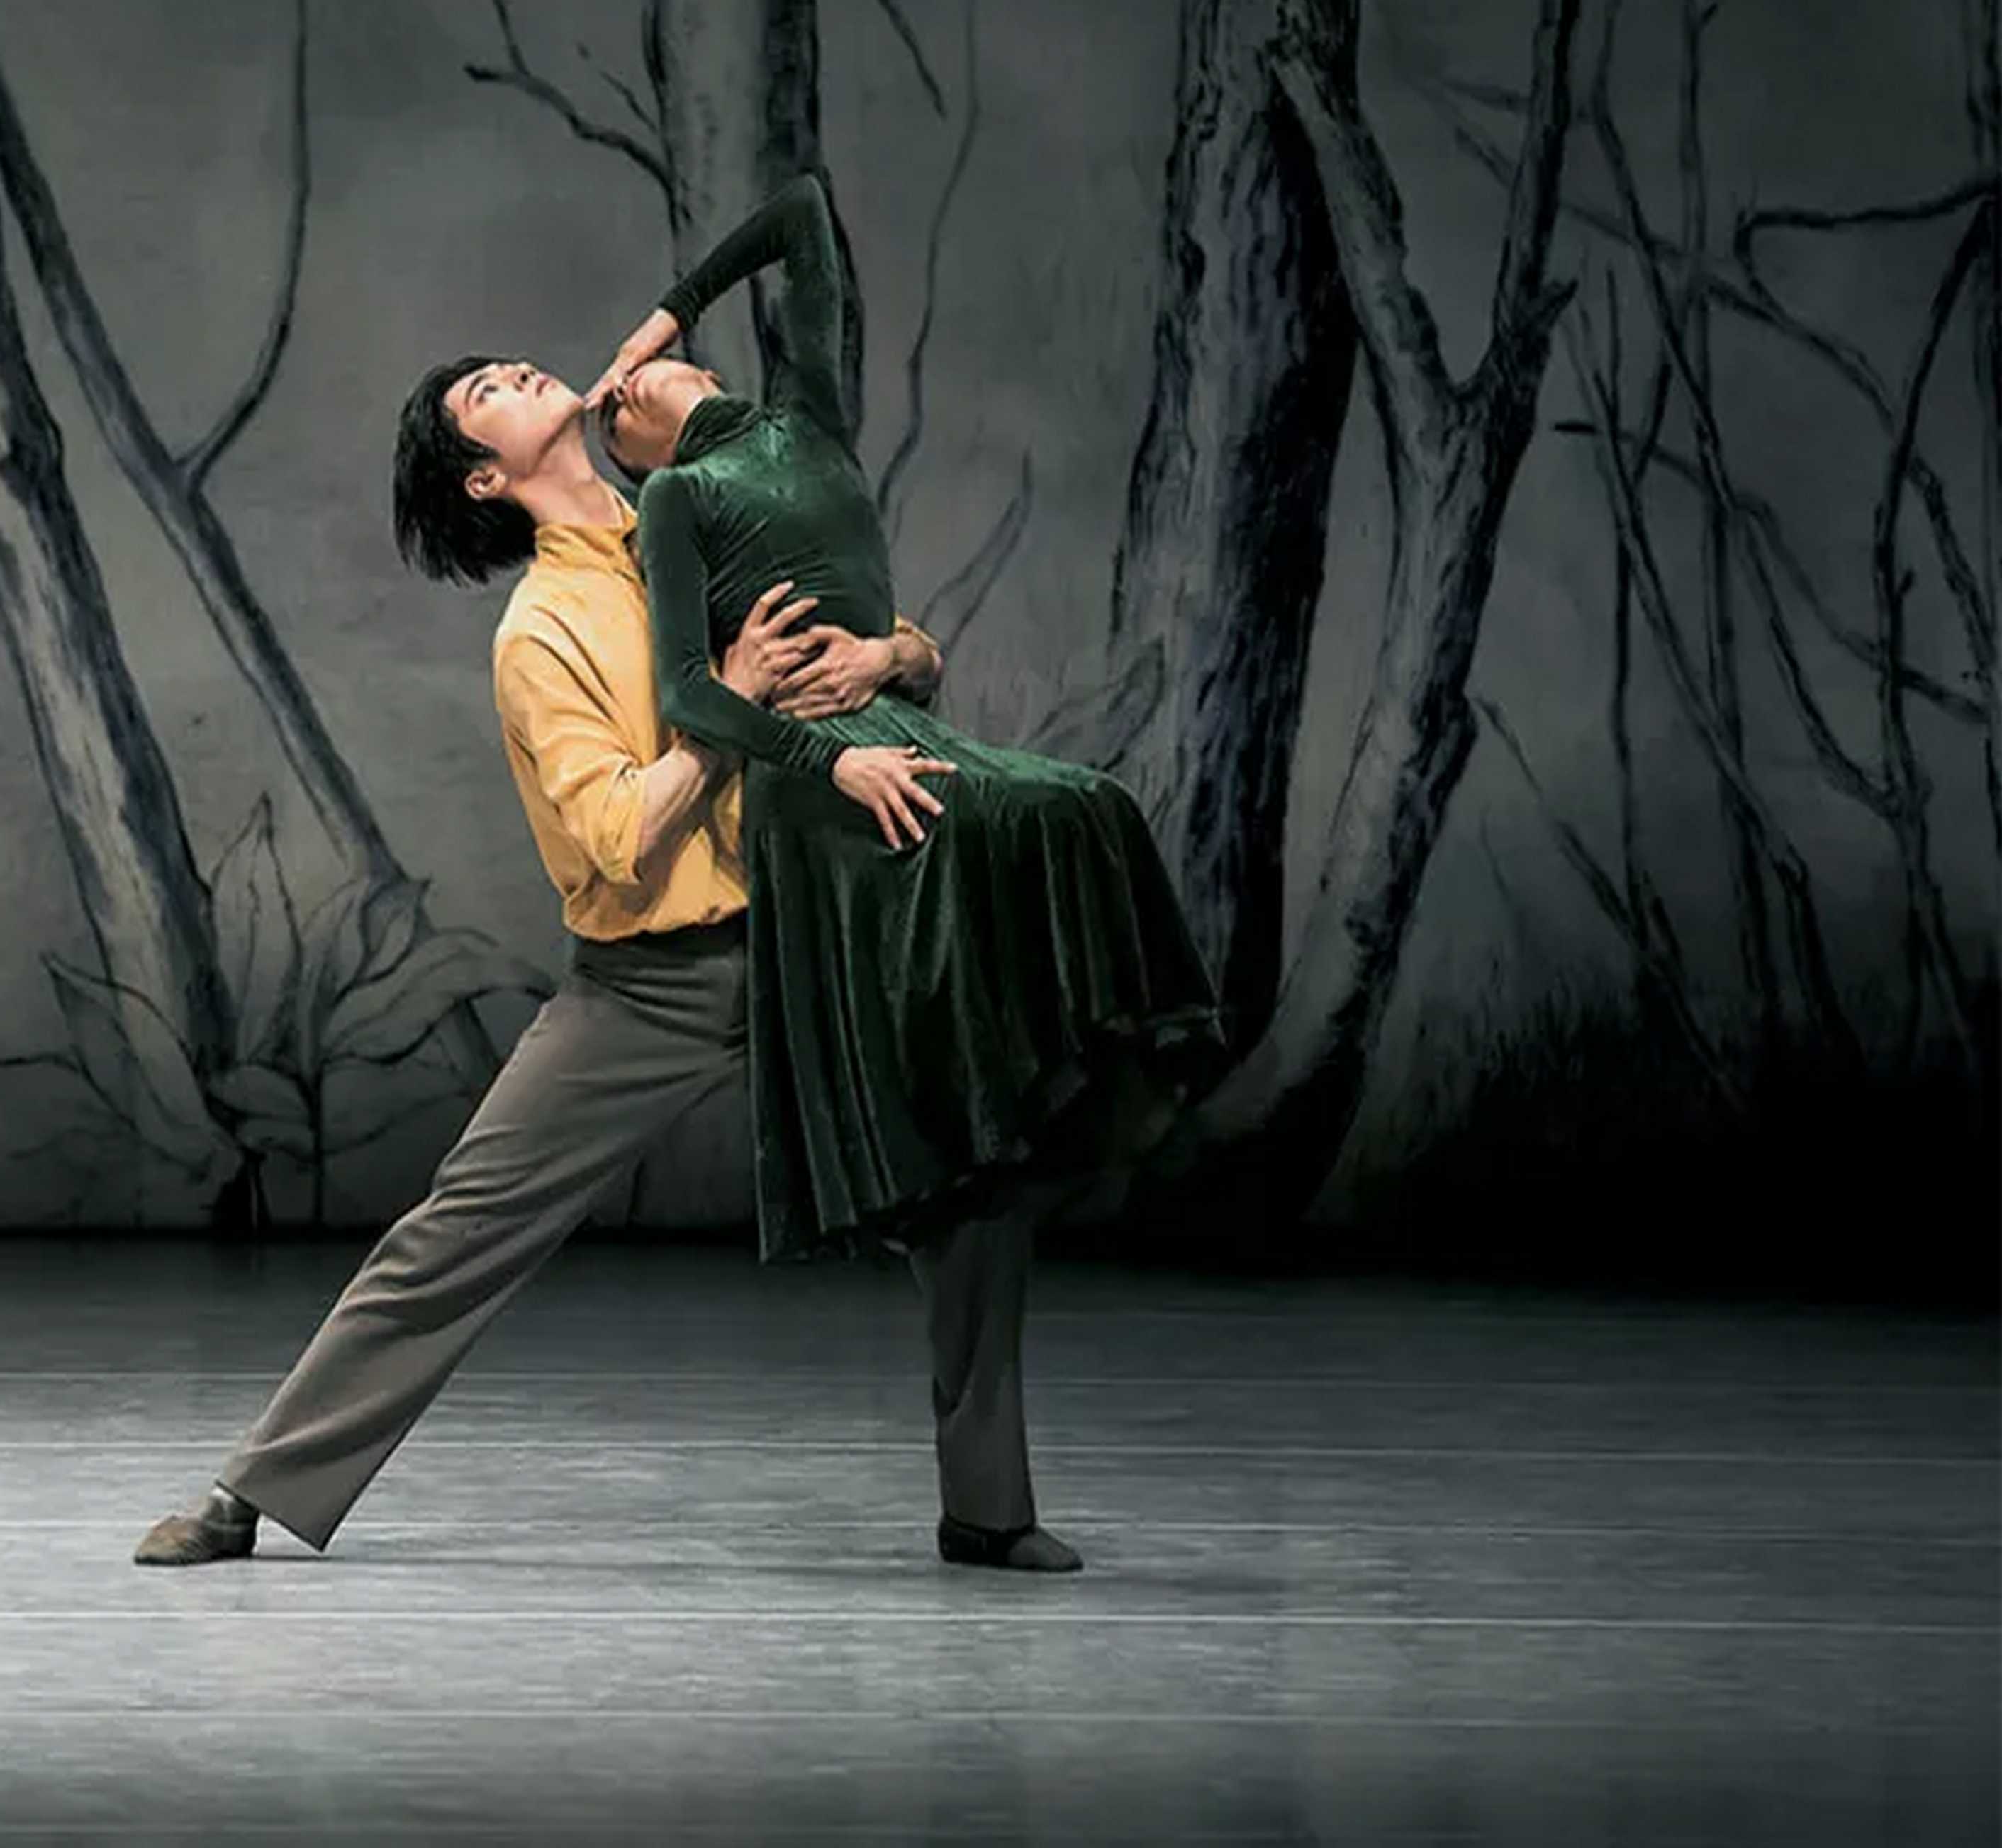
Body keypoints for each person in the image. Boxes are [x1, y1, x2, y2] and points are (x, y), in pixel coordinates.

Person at [132, 347, 954, 1568]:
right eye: (487, 396)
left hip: (813, 939)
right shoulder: (544, 633)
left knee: (970, 1189)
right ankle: (251, 1492)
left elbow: (907, 648)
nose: (517, 368)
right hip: (656, 984)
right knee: (463, 1226)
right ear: (482, 482)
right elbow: (619, 837)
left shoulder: (709, 502)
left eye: (507, 365)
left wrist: (885, 660)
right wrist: (728, 705)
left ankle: (991, 1513)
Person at [586, 170, 1228, 1569]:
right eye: (606, 399)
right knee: (1057, 823)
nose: (618, 384)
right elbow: (694, 698)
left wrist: (666, 303)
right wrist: (835, 760)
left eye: (627, 373)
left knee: (1078, 829)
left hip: (904, 730)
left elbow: (809, 213)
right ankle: (987, 1484)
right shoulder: (679, 497)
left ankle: (987, 1508)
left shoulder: (803, 427)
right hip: (834, 797)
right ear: (628, 450)